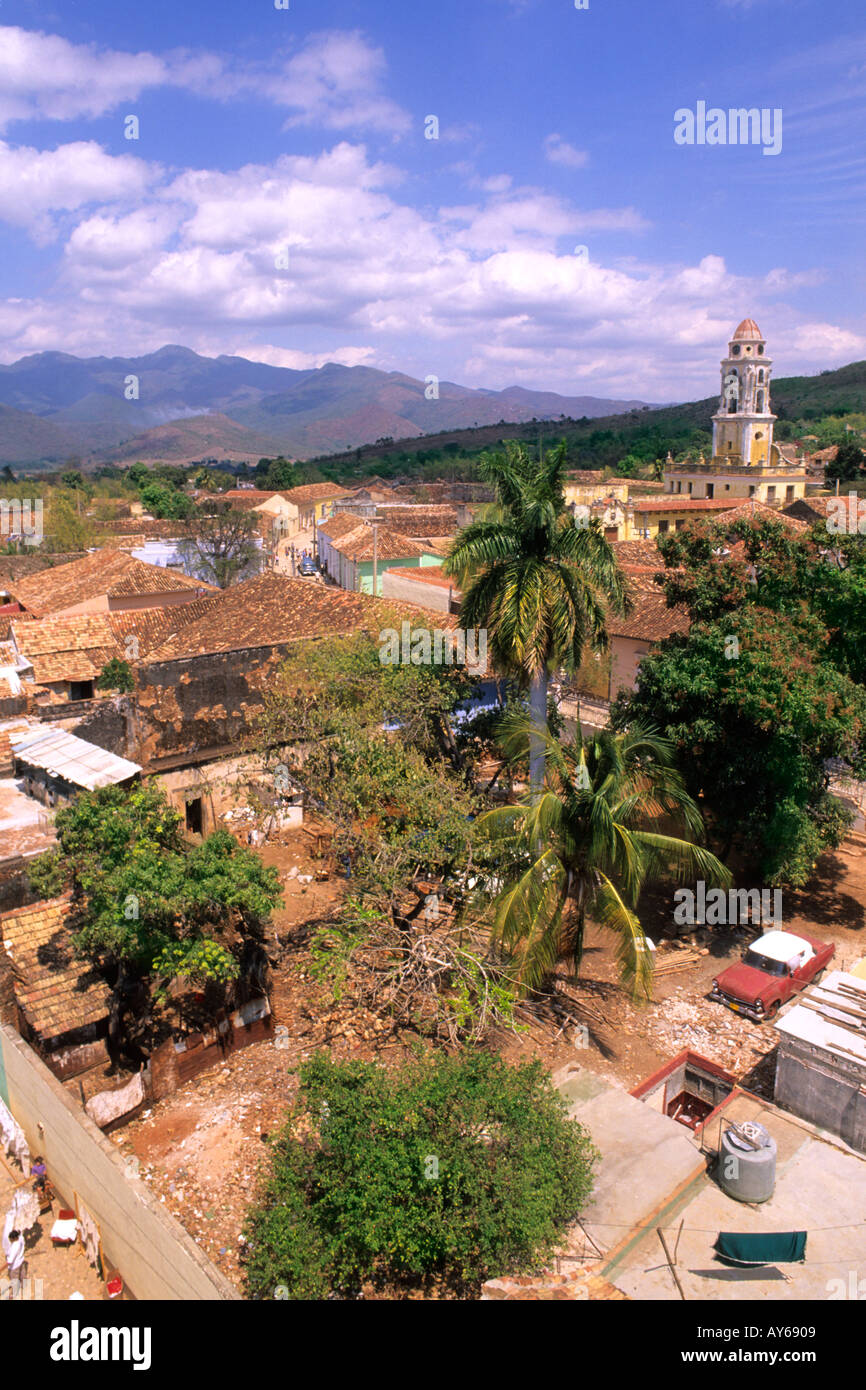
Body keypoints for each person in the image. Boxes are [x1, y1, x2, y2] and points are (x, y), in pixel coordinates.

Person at [3, 1228, 25, 1298]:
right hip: (21, 1261)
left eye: (11, 1239)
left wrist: (2, 1268)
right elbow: (21, 1233)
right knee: (22, 1274)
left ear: (14, 1238)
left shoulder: (15, 1246)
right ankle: (23, 1285)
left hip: (14, 1266)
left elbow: (10, 1260)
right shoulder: (21, 1239)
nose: (10, 1241)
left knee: (14, 1278)